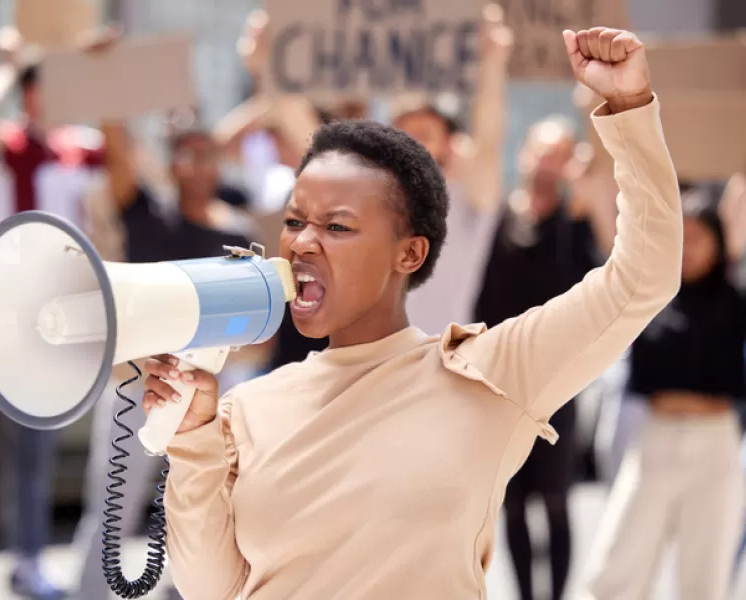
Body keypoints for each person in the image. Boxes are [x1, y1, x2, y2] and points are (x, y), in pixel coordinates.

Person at [142, 27, 683, 599]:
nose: (301, 243)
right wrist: (194, 442)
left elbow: (644, 275)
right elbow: (210, 589)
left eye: (337, 226)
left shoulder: (490, 375)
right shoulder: (245, 408)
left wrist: (628, 110)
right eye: (295, 221)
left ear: (410, 252)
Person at [71, 119, 256, 600]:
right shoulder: (147, 214)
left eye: (208, 155)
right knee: (112, 507)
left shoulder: (237, 234)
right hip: (137, 385)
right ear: (170, 163)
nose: (199, 167)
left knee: (202, 502)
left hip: (209, 389)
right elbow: (116, 151)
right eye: (188, 155)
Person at [0, 27, 117, 600]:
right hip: (15, 309)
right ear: (28, 95)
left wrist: (97, 72)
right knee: (26, 443)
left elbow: (126, 156)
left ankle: (31, 556)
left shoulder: (80, 145)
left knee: (51, 443)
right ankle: (25, 558)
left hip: (75, 307)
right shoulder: (10, 144)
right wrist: (9, 65)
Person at [582, 198, 746, 600]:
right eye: (681, 237)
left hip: (715, 445)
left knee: (704, 576)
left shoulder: (737, 302)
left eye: (697, 238)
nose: (687, 248)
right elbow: (613, 248)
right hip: (655, 441)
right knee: (616, 567)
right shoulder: (650, 297)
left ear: (719, 242)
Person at [473, 115, 603, 600]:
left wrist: (585, 198)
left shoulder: (574, 225)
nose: (550, 163)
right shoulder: (497, 220)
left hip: (556, 384)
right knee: (512, 501)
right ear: (525, 154)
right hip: (500, 383)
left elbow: (601, 272)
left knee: (555, 499)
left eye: (561, 154)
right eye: (544, 151)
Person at [392, 4, 511, 338]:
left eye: (424, 135)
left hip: (441, 356)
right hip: (378, 364)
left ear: (449, 143)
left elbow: (488, 141)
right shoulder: (376, 199)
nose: (411, 144)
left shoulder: (468, 199)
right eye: (403, 133)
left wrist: (493, 60)